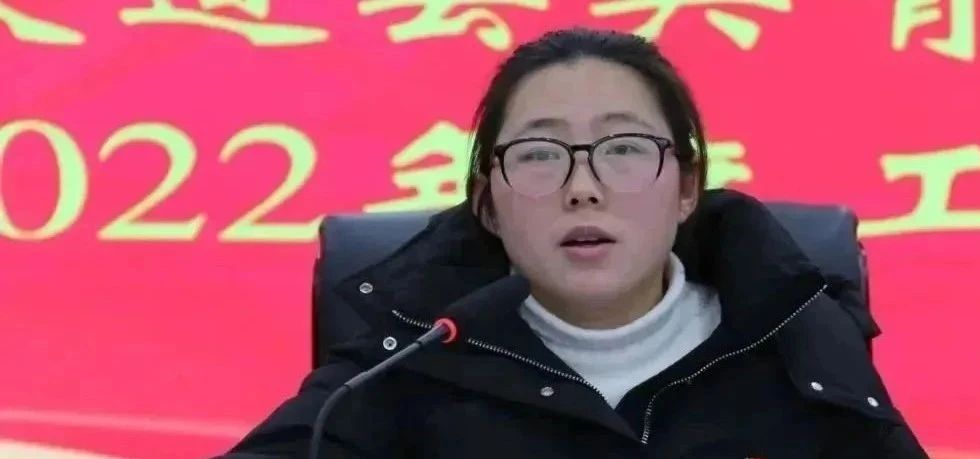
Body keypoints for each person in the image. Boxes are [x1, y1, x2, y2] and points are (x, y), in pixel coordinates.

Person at [222, 27, 928, 458]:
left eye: (623, 149)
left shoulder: (792, 337)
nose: (583, 188)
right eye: (539, 155)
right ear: (487, 204)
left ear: (686, 187)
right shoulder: (408, 351)